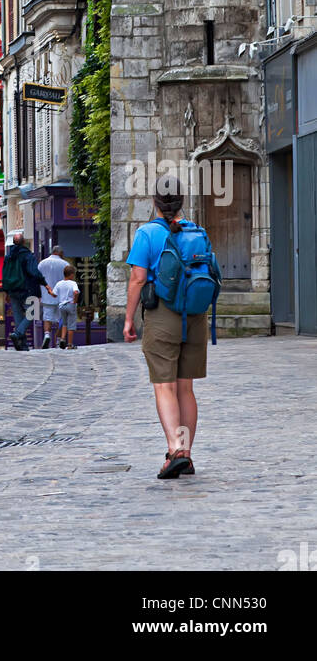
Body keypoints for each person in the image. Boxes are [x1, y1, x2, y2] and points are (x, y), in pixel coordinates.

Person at [123, 178, 210, 480]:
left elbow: (137, 279)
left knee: (165, 386)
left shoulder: (147, 232)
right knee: (186, 388)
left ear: (155, 202)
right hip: (195, 316)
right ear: (182, 201)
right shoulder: (198, 231)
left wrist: (128, 318)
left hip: (163, 315)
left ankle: (174, 450)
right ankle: (185, 453)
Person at [2, 232, 45, 350]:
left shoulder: (8, 257)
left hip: (12, 289)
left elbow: (5, 274)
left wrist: (6, 291)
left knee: (18, 316)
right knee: (32, 312)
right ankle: (19, 334)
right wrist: (44, 283)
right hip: (26, 288)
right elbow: (33, 272)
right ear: (24, 242)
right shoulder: (28, 256)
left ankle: (23, 344)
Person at [37, 245, 68, 348]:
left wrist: (38, 294)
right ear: (60, 253)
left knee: (47, 317)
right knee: (61, 319)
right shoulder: (65, 264)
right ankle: (59, 340)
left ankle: (47, 335)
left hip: (47, 296)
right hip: (61, 296)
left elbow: (37, 279)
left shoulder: (42, 264)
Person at [53, 264, 80, 349]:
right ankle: (69, 344)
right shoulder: (73, 283)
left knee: (64, 323)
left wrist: (48, 290)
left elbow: (54, 294)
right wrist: (74, 302)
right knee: (71, 326)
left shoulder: (59, 283)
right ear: (71, 274)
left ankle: (62, 339)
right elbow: (76, 292)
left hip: (61, 306)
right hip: (70, 304)